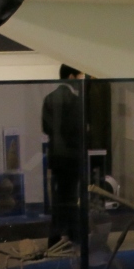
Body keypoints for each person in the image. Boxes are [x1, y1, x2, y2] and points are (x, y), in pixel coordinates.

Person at [41, 64, 84, 245]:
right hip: (72, 156)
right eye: (80, 76)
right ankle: (73, 235)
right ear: (72, 77)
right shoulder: (76, 101)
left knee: (58, 197)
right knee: (71, 197)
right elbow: (78, 129)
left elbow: (45, 127)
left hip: (55, 156)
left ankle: (55, 236)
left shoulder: (49, 98)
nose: (82, 80)